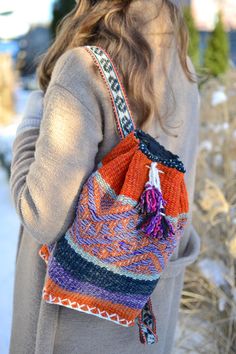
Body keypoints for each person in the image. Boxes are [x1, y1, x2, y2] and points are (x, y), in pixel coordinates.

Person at [9, 0, 201, 353]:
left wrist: (31, 126)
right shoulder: (182, 70)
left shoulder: (82, 70)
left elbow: (42, 216)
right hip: (143, 327)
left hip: (72, 330)